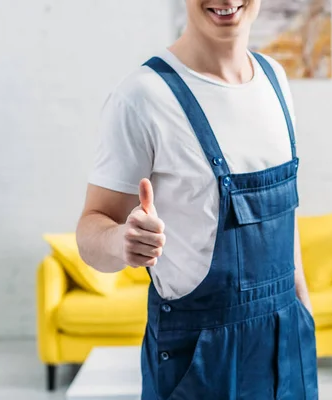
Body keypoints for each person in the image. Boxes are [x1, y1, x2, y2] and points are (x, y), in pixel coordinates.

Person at [76, 0, 318, 398]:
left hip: (287, 345)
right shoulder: (142, 96)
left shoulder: (275, 80)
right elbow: (90, 231)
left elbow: (286, 222)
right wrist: (122, 241)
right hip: (200, 363)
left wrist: (303, 317)